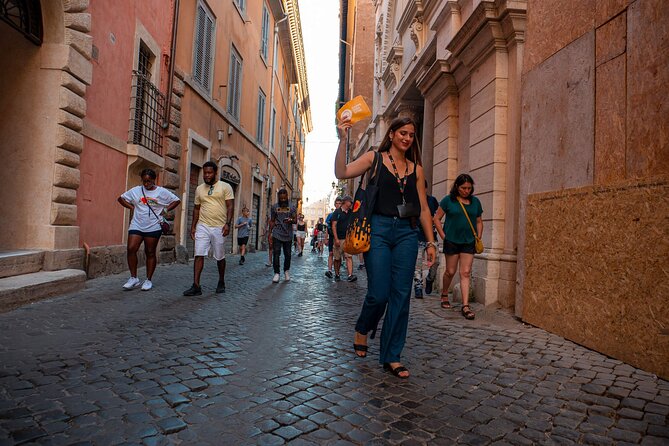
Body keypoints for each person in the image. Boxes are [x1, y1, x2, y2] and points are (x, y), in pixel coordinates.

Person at [335, 116, 437, 379]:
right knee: (379, 293)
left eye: (411, 134)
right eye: (402, 132)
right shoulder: (375, 158)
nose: (407, 138)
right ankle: (363, 327)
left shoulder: (417, 169)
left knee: (401, 296)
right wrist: (343, 139)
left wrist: (430, 242)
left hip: (406, 232)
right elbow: (342, 173)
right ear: (391, 134)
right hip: (377, 229)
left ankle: (392, 356)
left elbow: (424, 209)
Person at [118, 168, 180, 291]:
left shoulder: (161, 192)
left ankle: (148, 280)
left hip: (153, 226)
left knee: (150, 252)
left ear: (154, 180)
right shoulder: (136, 191)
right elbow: (120, 199)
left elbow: (176, 200)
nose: (146, 184)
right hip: (137, 225)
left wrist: (165, 210)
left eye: (149, 181)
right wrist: (132, 207)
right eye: (144, 181)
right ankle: (133, 278)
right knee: (131, 249)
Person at [433, 173, 483, 320]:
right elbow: (436, 219)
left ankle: (465, 305)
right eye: (463, 188)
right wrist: (443, 236)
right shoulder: (448, 201)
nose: (466, 191)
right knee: (450, 271)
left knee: (465, 272)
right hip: (452, 240)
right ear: (457, 186)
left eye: (469, 188)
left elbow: (479, 221)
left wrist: (478, 236)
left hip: (468, 242)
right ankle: (444, 294)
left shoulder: (475, 202)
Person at [183, 161, 234, 296]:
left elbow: (230, 206)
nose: (206, 175)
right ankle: (196, 285)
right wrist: (193, 226)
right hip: (203, 226)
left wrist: (227, 223)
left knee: (219, 256)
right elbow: (196, 208)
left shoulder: (225, 187)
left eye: (209, 172)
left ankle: (221, 281)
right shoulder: (199, 189)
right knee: (199, 254)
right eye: (205, 172)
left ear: (216, 173)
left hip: (219, 227)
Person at [414, 181, 441, 298]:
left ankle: (430, 279)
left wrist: (432, 218)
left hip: (431, 237)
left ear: (425, 188)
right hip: (417, 236)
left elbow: (437, 215)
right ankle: (418, 287)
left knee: (436, 262)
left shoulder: (432, 200)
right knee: (417, 264)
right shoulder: (413, 201)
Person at [269, 189, 297, 283]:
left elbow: (295, 220)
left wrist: (291, 220)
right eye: (281, 198)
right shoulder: (274, 207)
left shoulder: (292, 207)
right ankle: (276, 273)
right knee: (276, 253)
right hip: (277, 233)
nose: (283, 200)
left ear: (287, 196)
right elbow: (272, 220)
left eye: (285, 198)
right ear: (278, 198)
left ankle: (286, 271)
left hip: (288, 234)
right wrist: (270, 233)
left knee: (288, 254)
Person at [331, 196, 357, 282]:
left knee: (348, 257)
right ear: (346, 202)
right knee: (337, 258)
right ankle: (337, 274)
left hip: (348, 239)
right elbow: (333, 226)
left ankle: (350, 275)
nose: (351, 204)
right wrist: (336, 239)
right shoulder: (337, 212)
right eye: (350, 202)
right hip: (339, 238)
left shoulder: (351, 212)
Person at [324, 197, 342, 277]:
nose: (338, 205)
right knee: (331, 253)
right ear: (335, 205)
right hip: (331, 237)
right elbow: (328, 227)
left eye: (339, 203)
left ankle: (337, 272)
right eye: (337, 203)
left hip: (340, 237)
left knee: (338, 256)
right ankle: (329, 270)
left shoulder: (343, 214)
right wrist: (326, 238)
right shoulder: (330, 215)